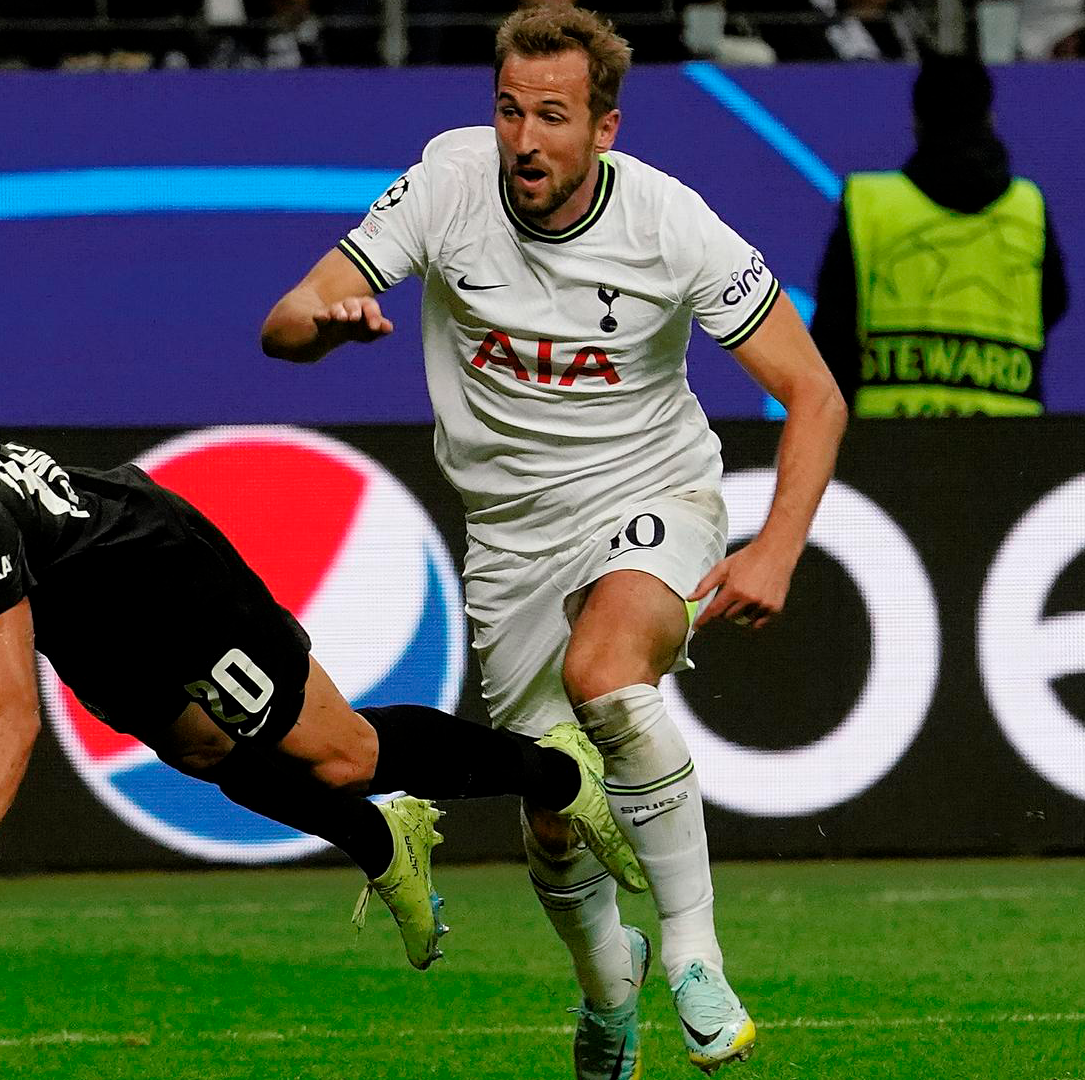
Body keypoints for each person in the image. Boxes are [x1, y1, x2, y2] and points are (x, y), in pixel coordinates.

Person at [0, 335, 643, 974]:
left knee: (342, 753)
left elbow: (8, 709)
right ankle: (385, 845)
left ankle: (558, 772)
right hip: (76, 612)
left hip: (151, 568)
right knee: (209, 761)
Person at [260, 6, 847, 1074]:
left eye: (553, 116)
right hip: (510, 542)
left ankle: (694, 960)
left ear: (604, 130)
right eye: (508, 111)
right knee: (553, 807)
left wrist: (776, 548)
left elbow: (814, 391)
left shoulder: (672, 223)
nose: (524, 139)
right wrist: (325, 325)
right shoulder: (447, 182)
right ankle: (605, 990)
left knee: (607, 673)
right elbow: (288, 317)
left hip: (650, 488)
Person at [809, 54, 1069, 417]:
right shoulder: (1028, 207)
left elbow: (832, 332)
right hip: (1009, 436)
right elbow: (1054, 302)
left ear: (917, 120)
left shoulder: (870, 203)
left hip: (889, 439)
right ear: (990, 117)